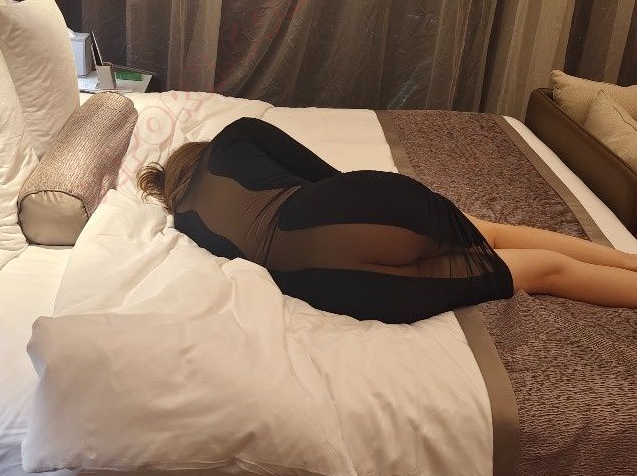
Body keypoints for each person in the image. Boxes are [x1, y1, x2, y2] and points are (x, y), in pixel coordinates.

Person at [138, 117, 637, 323]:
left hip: (339, 287)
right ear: (198, 151)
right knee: (493, 232)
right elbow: (323, 175)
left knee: (545, 272)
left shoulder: (184, 224)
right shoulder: (236, 135)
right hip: (344, 215)